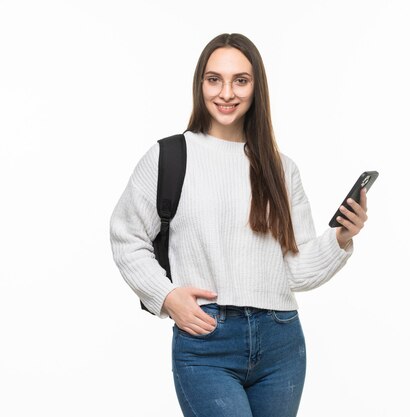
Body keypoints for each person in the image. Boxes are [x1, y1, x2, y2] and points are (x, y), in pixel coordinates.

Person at [109, 32, 369, 417]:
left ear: (256, 87)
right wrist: (166, 296)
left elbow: (295, 270)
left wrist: (340, 238)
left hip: (281, 341)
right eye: (214, 79)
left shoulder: (281, 169)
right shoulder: (169, 156)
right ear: (200, 84)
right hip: (206, 340)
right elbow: (127, 237)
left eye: (240, 80)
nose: (226, 92)